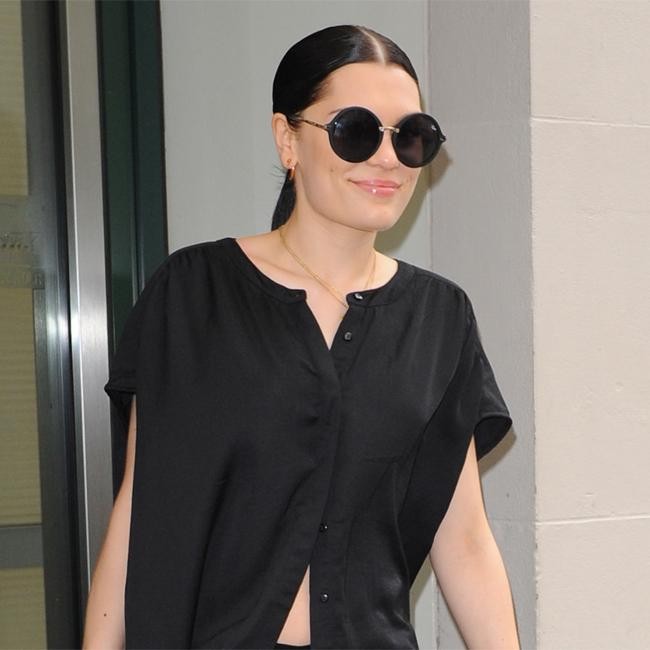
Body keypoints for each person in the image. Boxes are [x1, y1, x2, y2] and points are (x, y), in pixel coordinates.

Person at [83, 24, 520, 650]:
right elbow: (139, 511)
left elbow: (466, 539)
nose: (387, 158)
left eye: (410, 135)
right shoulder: (194, 294)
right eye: (356, 130)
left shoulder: (440, 317)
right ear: (288, 139)